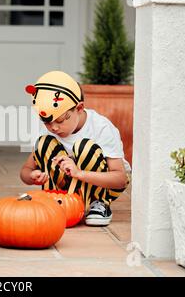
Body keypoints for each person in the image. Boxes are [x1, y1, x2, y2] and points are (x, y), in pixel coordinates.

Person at [20, 71, 131, 226]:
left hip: (104, 186)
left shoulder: (101, 128)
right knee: (44, 142)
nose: (54, 128)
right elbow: (25, 170)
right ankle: (53, 200)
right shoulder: (49, 130)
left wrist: (79, 173)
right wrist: (32, 175)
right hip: (68, 186)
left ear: (79, 108)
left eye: (60, 120)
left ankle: (99, 203)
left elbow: (120, 179)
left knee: (84, 146)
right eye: (47, 122)